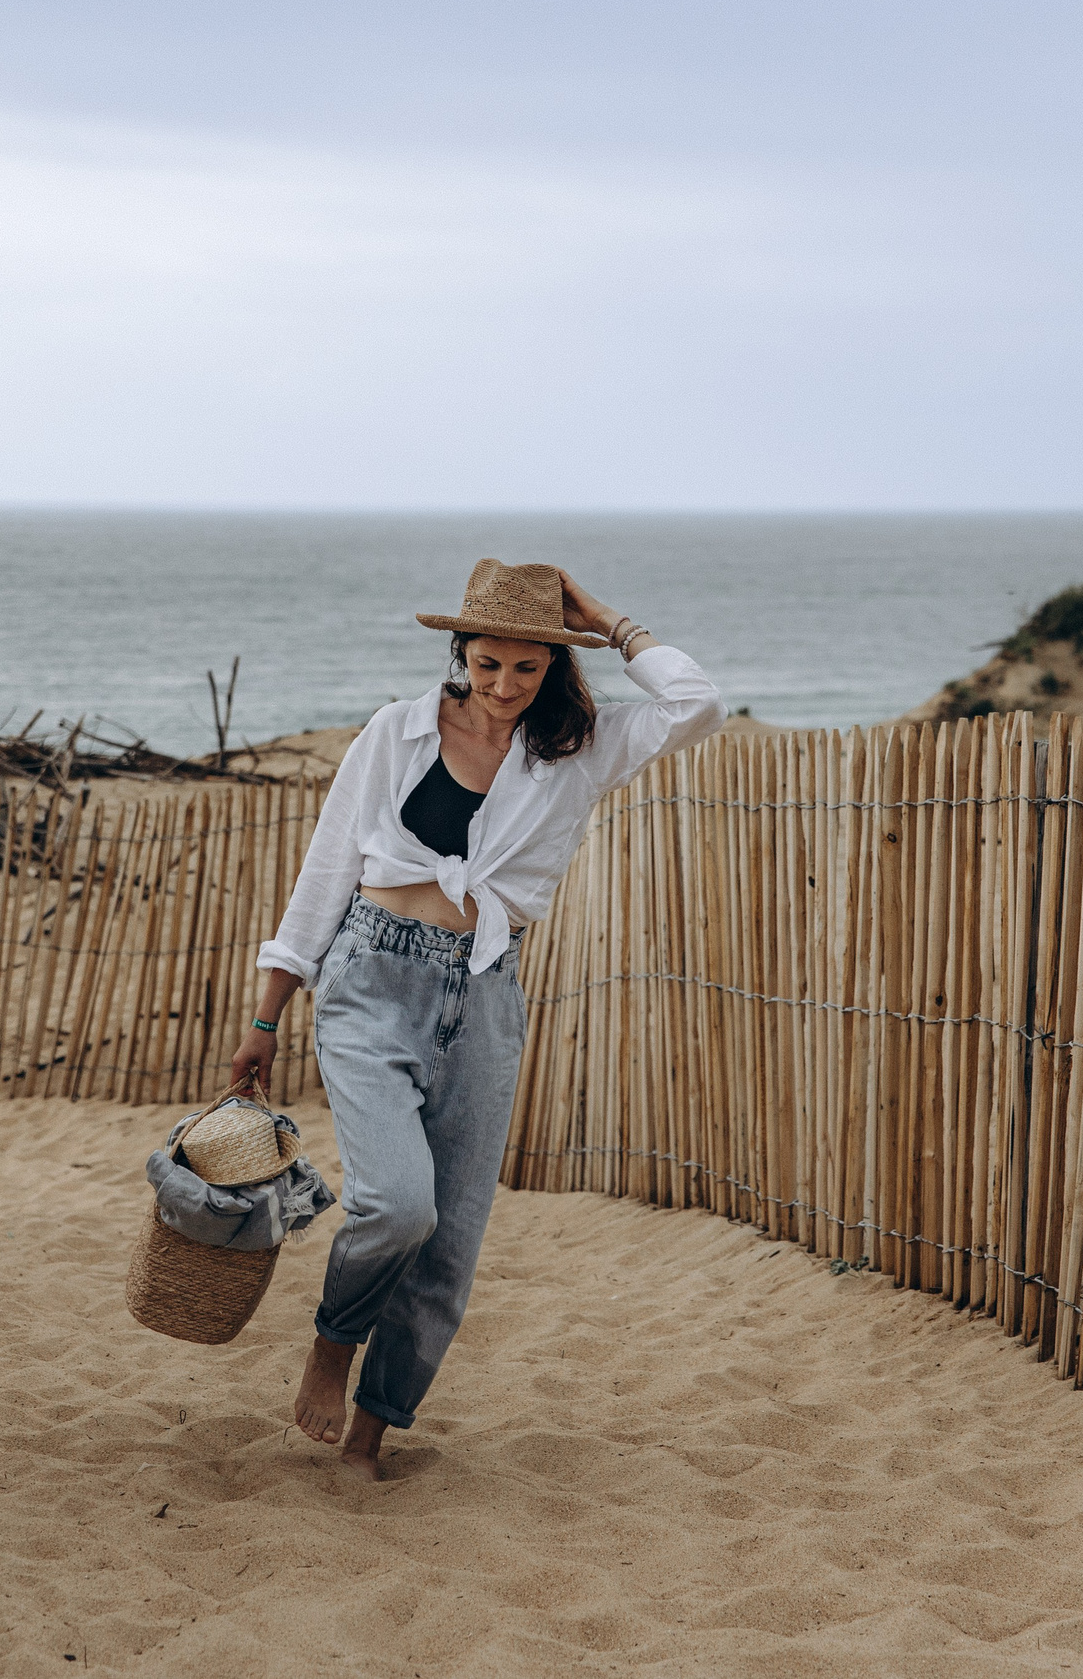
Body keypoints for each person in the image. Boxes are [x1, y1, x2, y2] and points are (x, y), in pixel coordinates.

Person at [228, 558, 722, 1478]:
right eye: (486, 663)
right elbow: (329, 865)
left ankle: (369, 1436)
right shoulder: (396, 731)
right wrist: (269, 1009)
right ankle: (333, 1343)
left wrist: (607, 620)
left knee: (450, 1241)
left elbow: (696, 703)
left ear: (553, 669)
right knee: (396, 1204)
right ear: (459, 653)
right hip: (372, 976)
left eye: (526, 668)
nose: (502, 686)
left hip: (485, 993)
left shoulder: (579, 749)